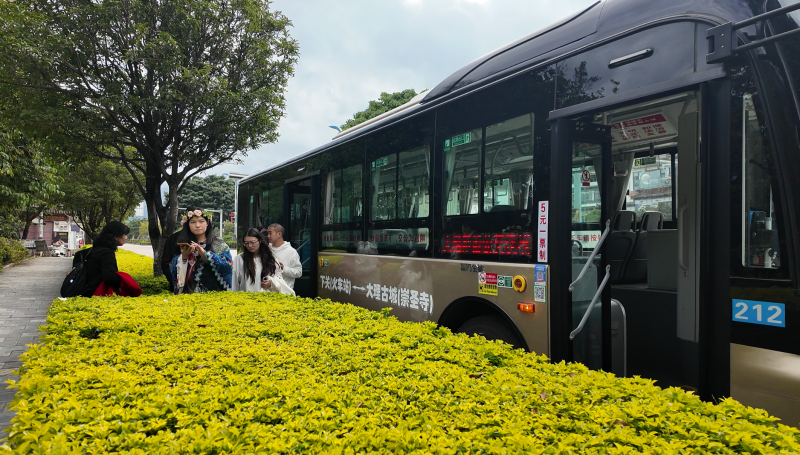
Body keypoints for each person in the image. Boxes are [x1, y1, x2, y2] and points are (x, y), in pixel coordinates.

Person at [170, 209, 233, 294]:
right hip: (188, 293)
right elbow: (172, 268)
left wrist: (206, 255)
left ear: (207, 223)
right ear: (188, 225)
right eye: (193, 222)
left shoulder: (218, 243)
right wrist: (184, 257)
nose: (197, 225)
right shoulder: (182, 243)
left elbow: (228, 265)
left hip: (213, 293)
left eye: (201, 221)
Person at [71, 221, 129, 297]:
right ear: (116, 236)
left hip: (85, 291)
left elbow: (78, 254)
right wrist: (123, 283)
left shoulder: (95, 249)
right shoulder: (107, 253)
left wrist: (75, 268)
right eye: (125, 234)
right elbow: (108, 276)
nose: (126, 237)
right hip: (97, 293)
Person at [232, 228, 294, 294]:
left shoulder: (270, 258)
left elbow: (279, 278)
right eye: (246, 243)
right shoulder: (239, 259)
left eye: (253, 242)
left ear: (260, 241)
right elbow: (234, 282)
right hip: (245, 298)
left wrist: (271, 284)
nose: (249, 245)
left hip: (265, 298)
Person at [265, 223, 302, 289]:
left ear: (279, 234)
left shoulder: (291, 251)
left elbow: (298, 272)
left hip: (284, 291)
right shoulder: (266, 249)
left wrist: (283, 268)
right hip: (267, 291)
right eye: (267, 233)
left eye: (270, 233)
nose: (268, 236)